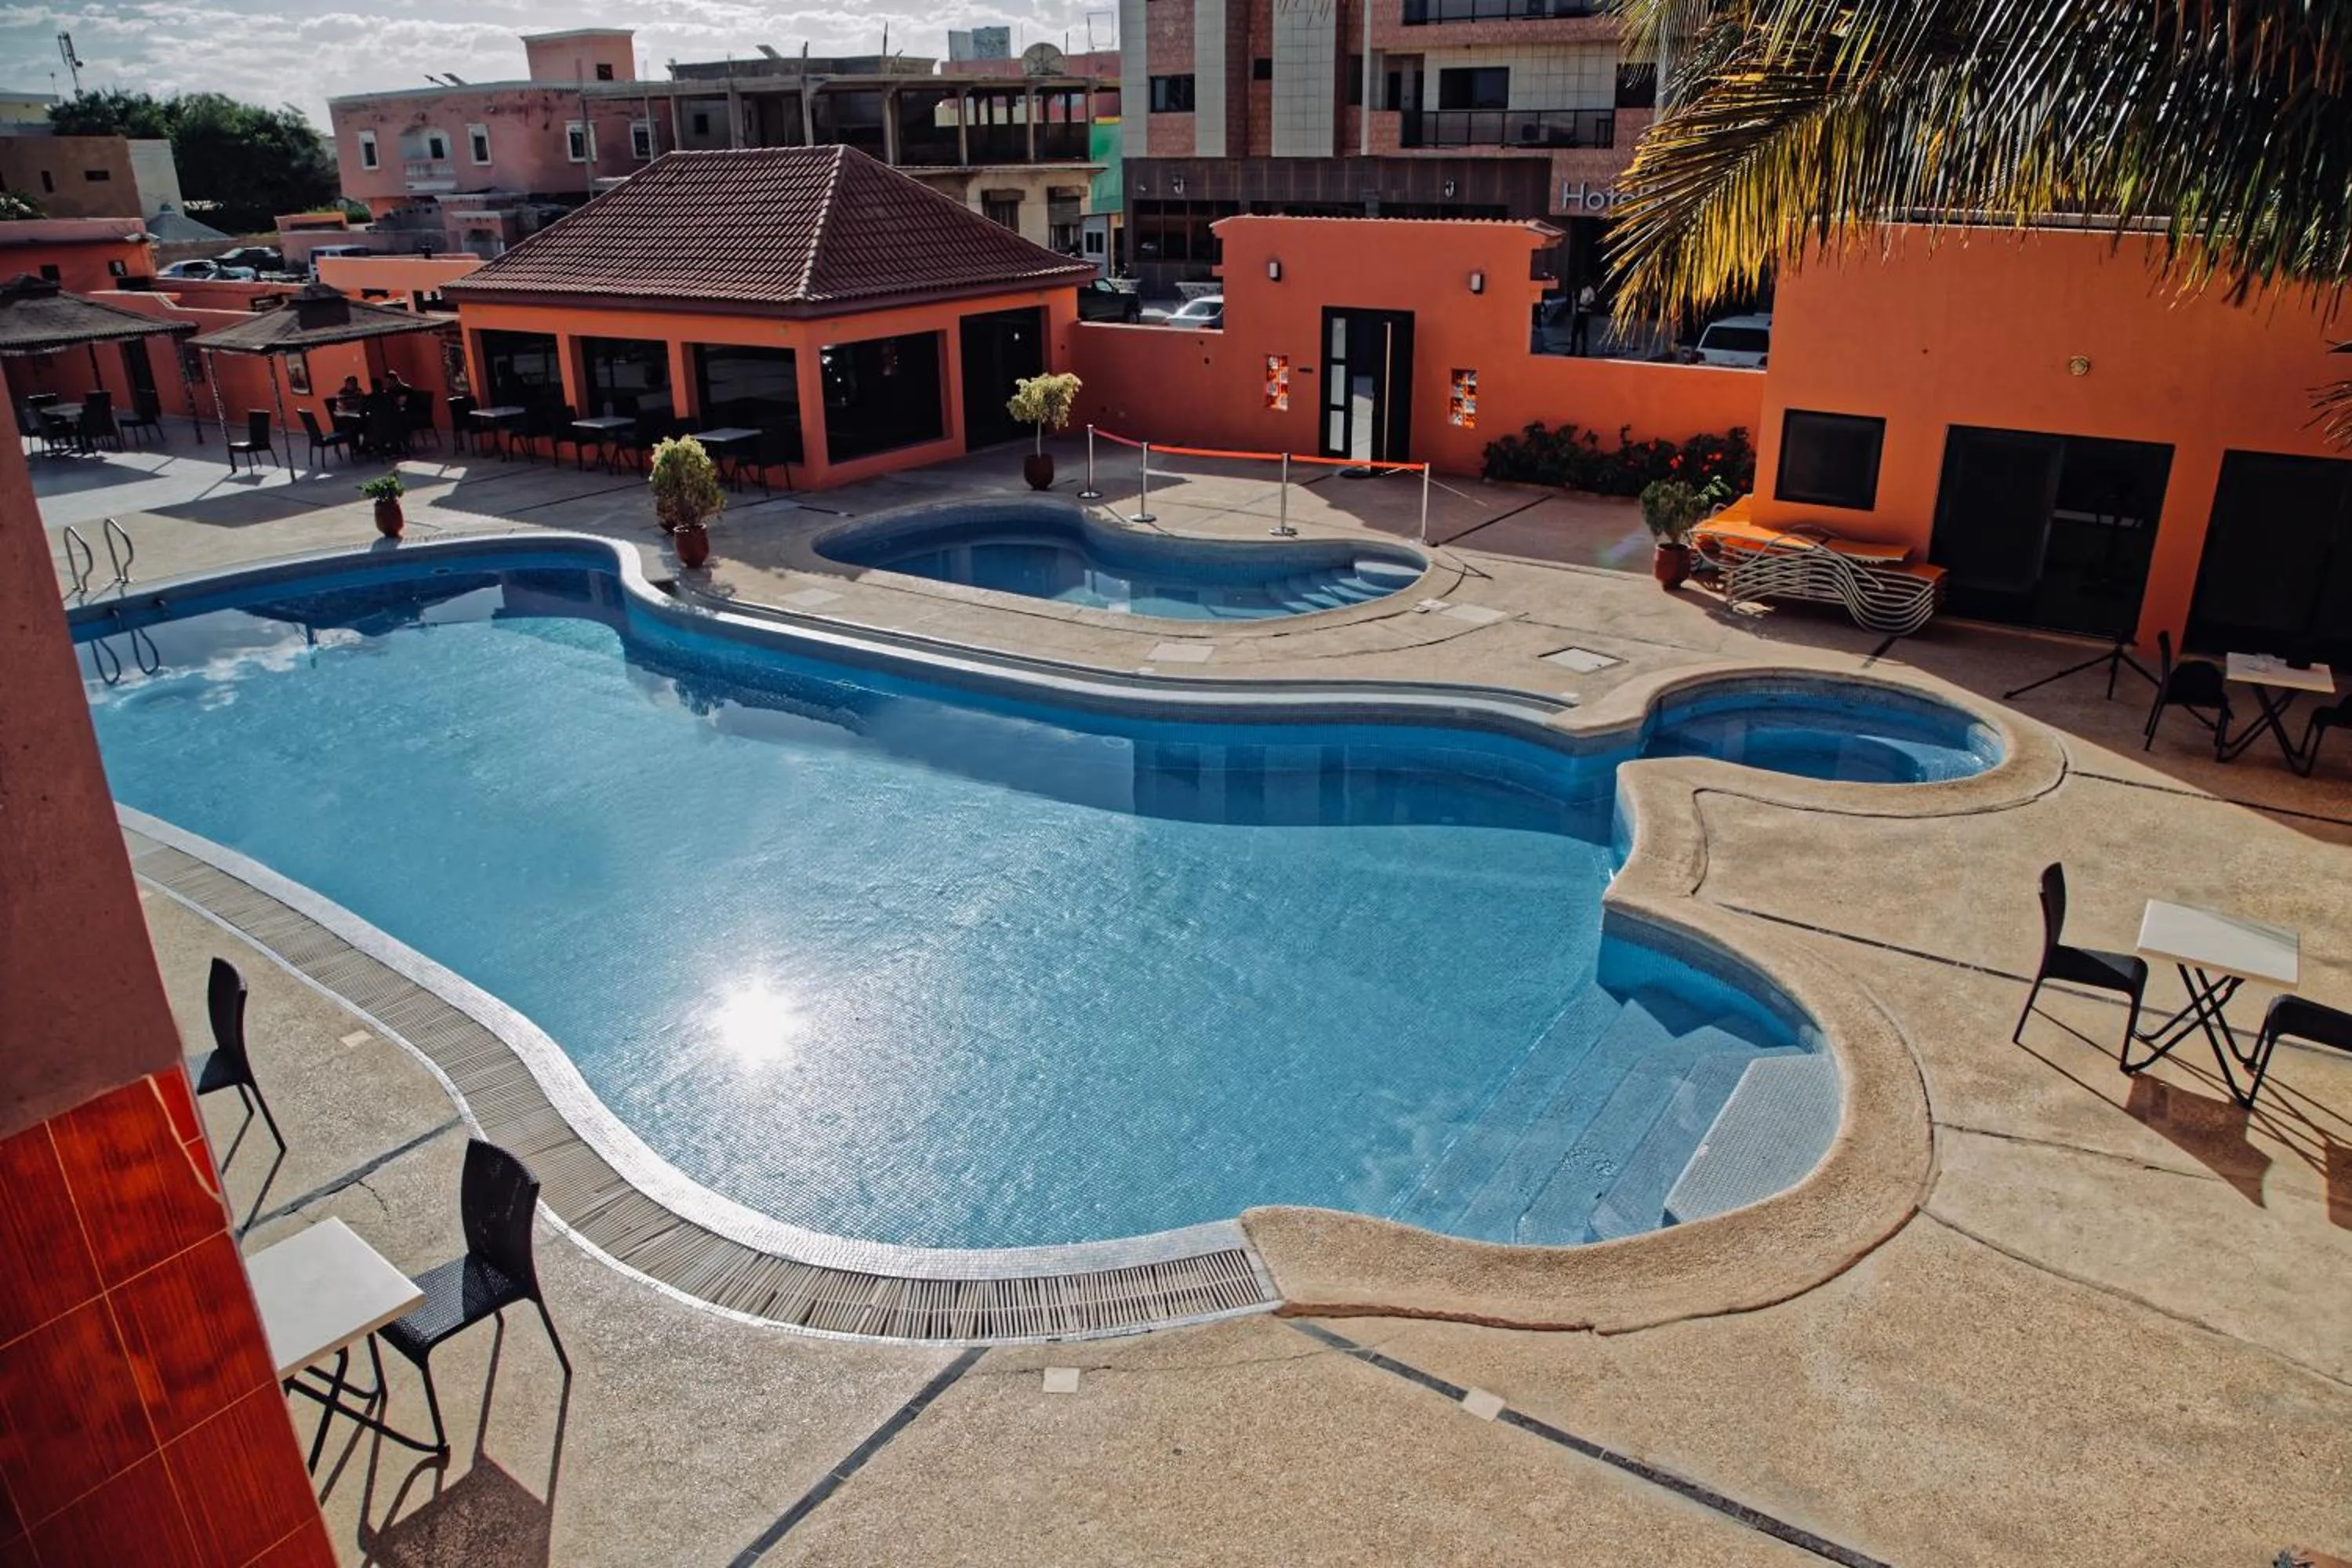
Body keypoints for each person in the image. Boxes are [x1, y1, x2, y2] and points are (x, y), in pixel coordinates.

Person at [1570, 282, 1597, 357]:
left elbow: (1592, 304)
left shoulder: (1590, 291)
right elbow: (1577, 298)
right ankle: (1573, 351)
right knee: (1574, 333)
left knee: (1584, 334)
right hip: (1579, 313)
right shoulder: (1581, 289)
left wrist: (1584, 305)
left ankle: (1584, 352)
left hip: (1585, 314)